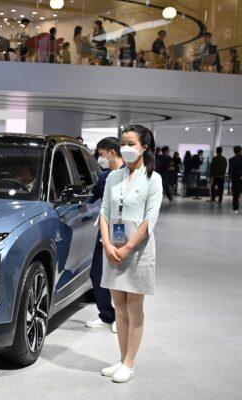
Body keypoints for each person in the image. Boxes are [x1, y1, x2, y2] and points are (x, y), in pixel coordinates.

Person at [99, 125, 163, 383]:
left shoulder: (153, 179)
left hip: (138, 250)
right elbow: (104, 212)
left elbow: (150, 220)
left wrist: (127, 247)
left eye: (130, 143)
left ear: (144, 148)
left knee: (134, 308)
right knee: (119, 308)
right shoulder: (113, 176)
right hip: (113, 248)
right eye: (122, 142)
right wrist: (107, 244)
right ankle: (122, 357)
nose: (124, 148)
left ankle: (130, 363)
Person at [86, 137, 125, 333]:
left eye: (101, 155)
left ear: (111, 152)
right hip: (103, 227)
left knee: (118, 274)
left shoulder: (130, 174)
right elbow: (93, 196)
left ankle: (121, 317)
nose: (100, 159)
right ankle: (106, 315)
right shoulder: (105, 176)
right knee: (97, 273)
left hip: (120, 229)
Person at [229, 145, 242, 213]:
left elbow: (230, 171)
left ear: (234, 151)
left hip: (235, 179)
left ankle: (235, 209)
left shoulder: (231, 160)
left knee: (235, 195)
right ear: (240, 150)